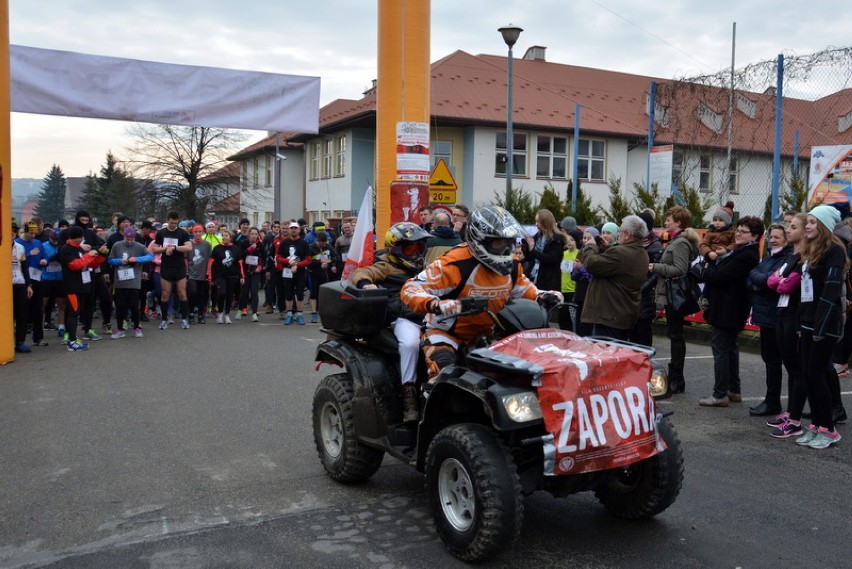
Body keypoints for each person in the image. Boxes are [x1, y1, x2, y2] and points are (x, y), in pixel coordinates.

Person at [401, 205, 562, 382]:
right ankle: (427, 402)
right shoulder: (454, 263)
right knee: (443, 369)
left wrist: (542, 295)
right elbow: (410, 287)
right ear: (480, 239)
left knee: (519, 371)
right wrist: (436, 304)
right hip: (447, 332)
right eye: (499, 242)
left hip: (489, 334)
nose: (506, 248)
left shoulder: (512, 265)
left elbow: (523, 288)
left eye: (509, 242)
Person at [352, 222, 431, 421]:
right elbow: (362, 273)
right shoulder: (386, 266)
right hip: (404, 319)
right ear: (395, 249)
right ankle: (409, 396)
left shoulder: (427, 268)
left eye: (419, 247)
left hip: (430, 315)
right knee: (411, 344)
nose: (415, 253)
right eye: (409, 248)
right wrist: (366, 284)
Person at [790, 205, 845, 448]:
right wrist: (803, 323)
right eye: (808, 222)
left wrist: (820, 328)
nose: (808, 226)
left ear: (823, 226)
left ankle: (829, 429)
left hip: (826, 325)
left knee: (816, 374)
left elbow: (830, 293)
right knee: (808, 375)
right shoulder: (812, 251)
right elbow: (806, 294)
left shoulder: (835, 251)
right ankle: (816, 424)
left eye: (813, 222)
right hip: (810, 324)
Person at [698, 216, 763, 407]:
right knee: (731, 349)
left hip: (729, 309)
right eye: (738, 230)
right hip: (729, 308)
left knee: (721, 350)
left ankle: (720, 394)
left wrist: (706, 269)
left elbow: (720, 276)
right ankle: (733, 390)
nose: (738, 234)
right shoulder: (741, 251)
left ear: (755, 236)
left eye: (743, 232)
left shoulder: (747, 255)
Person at [650, 206, 700, 394]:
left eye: (669, 219)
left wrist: (656, 267)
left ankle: (677, 379)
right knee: (675, 335)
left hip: (675, 294)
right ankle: (676, 378)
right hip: (673, 293)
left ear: (678, 222)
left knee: (676, 336)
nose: (665, 222)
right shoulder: (678, 240)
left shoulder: (680, 243)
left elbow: (679, 270)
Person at [766, 213, 808, 438]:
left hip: (795, 315)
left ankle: (796, 420)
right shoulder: (792, 256)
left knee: (797, 368)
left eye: (792, 227)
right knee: (790, 366)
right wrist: (780, 281)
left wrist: (780, 282)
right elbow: (773, 280)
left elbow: (788, 284)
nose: (788, 230)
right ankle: (791, 410)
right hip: (782, 313)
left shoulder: (804, 257)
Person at [576, 215, 649, 340]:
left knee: (604, 354)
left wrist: (591, 246)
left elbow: (591, 264)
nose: (619, 234)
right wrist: (608, 248)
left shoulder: (620, 253)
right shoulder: (642, 253)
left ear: (627, 234)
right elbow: (619, 265)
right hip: (623, 314)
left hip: (609, 316)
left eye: (620, 231)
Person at [746, 224, 792, 416]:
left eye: (777, 237)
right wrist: (761, 282)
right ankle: (771, 400)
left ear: (786, 239)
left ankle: (773, 401)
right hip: (765, 316)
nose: (773, 240)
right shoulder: (769, 257)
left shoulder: (786, 259)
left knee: (775, 361)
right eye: (771, 236)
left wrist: (761, 282)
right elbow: (753, 277)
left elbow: (771, 281)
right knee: (769, 359)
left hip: (775, 315)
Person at [59, 225, 106, 351]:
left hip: (84, 285)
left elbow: (90, 263)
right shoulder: (65, 249)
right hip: (72, 287)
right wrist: (89, 255)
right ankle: (72, 341)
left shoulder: (80, 249)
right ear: (76, 237)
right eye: (80, 237)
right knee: (73, 313)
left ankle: (74, 339)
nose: (82, 240)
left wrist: (100, 255)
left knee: (78, 312)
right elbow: (75, 265)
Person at [107, 227, 154, 338]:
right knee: (120, 306)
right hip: (120, 280)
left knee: (134, 305)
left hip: (134, 280)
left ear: (134, 237)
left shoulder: (140, 246)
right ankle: (120, 329)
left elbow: (150, 256)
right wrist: (119, 261)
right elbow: (110, 260)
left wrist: (137, 259)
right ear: (124, 236)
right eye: (127, 239)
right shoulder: (117, 245)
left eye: (131, 239)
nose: (129, 241)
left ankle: (137, 327)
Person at [152, 211, 193, 330]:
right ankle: (164, 319)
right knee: (165, 293)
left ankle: (184, 319)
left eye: (175, 223)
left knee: (182, 292)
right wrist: (165, 249)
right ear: (167, 220)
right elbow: (154, 249)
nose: (173, 225)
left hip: (179, 266)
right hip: (166, 267)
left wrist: (175, 247)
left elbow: (189, 247)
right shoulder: (161, 233)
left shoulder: (182, 233)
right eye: (171, 223)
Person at [631, 210, 663, 347]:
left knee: (643, 330)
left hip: (646, 294)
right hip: (633, 292)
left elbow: (656, 272)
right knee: (633, 331)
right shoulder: (635, 242)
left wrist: (643, 288)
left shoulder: (654, 245)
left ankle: (645, 362)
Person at [522, 209, 567, 292]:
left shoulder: (557, 239)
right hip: (533, 279)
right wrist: (525, 248)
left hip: (549, 283)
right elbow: (529, 258)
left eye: (538, 221)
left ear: (545, 222)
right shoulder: (537, 236)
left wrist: (533, 251)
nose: (536, 224)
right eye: (536, 221)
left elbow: (551, 259)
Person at [275, 222, 311, 325]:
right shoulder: (284, 243)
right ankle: (289, 314)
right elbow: (278, 257)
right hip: (287, 271)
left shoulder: (304, 243)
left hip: (299, 272)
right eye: (292, 228)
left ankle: (299, 315)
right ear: (289, 230)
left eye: (295, 228)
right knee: (288, 293)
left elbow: (308, 260)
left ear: (299, 230)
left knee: (299, 293)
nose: (293, 230)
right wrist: (288, 262)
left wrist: (297, 265)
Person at [571, 227, 603, 336]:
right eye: (584, 238)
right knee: (578, 326)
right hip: (579, 294)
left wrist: (581, 268)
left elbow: (591, 276)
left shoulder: (596, 253)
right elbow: (574, 277)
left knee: (587, 328)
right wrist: (575, 270)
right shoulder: (580, 252)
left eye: (589, 238)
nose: (585, 240)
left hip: (589, 296)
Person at [209, 228, 243, 325]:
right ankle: (220, 313)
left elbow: (239, 263)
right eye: (223, 236)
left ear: (230, 237)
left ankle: (227, 314)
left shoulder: (235, 248)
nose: (224, 237)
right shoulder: (217, 248)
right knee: (222, 293)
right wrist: (211, 277)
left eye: (226, 236)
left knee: (229, 295)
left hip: (232, 275)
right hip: (220, 275)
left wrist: (242, 276)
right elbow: (211, 263)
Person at [307, 231, 337, 323]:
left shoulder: (328, 247)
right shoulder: (311, 247)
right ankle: (313, 312)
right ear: (317, 241)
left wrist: (332, 264)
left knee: (323, 292)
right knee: (313, 293)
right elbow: (308, 262)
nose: (322, 245)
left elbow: (335, 256)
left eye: (324, 243)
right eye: (321, 243)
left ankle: (322, 311)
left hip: (324, 274)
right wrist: (320, 263)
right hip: (313, 273)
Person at [237, 227, 266, 321]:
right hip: (245, 270)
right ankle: (240, 309)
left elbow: (264, 258)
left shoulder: (260, 245)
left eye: (255, 234)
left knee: (254, 291)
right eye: (252, 234)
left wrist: (260, 267)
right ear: (249, 234)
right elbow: (240, 256)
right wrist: (249, 249)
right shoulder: (243, 243)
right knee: (244, 291)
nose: (254, 236)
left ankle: (254, 312)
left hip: (255, 271)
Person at [12, 228, 33, 353]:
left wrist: (29, 285)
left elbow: (25, 267)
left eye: (13, 231)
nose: (11, 234)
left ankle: (20, 342)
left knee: (21, 314)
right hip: (4, 285)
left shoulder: (20, 247)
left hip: (19, 283)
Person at [187, 225, 213, 324]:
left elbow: (210, 260)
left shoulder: (207, 244)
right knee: (193, 293)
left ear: (203, 232)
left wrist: (208, 272)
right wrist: (186, 273)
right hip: (192, 274)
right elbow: (186, 259)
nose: (198, 233)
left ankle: (201, 315)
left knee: (203, 295)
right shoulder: (189, 244)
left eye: (200, 231)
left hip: (203, 274)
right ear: (193, 233)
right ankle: (191, 312)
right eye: (196, 231)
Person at [557, 234, 579, 332]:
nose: (569, 242)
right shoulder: (563, 253)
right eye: (567, 240)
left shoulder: (579, 253)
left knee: (571, 319)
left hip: (573, 290)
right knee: (562, 318)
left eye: (572, 240)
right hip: (563, 289)